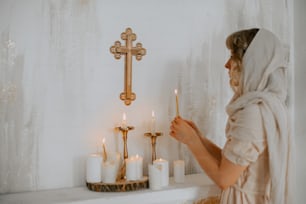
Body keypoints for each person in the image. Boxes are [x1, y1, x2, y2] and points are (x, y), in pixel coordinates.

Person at [170, 28, 295, 204]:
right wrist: (199, 138)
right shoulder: (266, 106)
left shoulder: (254, 112)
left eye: (232, 56)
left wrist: (191, 141)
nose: (227, 64)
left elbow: (223, 178)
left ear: (251, 63)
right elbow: (230, 163)